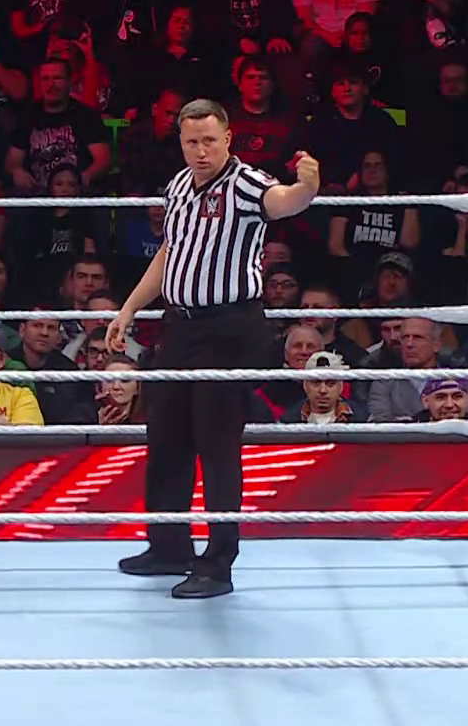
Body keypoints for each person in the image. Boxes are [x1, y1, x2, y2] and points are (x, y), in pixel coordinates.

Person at [106, 98, 320, 600]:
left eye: (208, 140)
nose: (200, 151)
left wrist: (308, 187)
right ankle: (169, 546)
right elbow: (170, 252)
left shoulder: (246, 182)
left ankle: (219, 564)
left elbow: (283, 201)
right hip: (179, 327)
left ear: (227, 139)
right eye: (191, 142)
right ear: (180, 144)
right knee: (166, 434)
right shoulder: (179, 186)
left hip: (229, 329)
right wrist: (129, 308)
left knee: (217, 443)